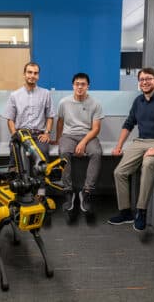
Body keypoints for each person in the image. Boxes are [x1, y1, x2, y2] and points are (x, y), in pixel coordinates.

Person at [108, 67, 154, 231]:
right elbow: (129, 124)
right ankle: (125, 212)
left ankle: (141, 211)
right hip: (140, 142)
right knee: (119, 172)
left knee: (147, 165)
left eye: (148, 79)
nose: (144, 82)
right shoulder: (138, 101)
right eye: (141, 80)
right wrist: (119, 146)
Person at [3, 62, 55, 197]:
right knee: (15, 157)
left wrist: (47, 133)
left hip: (38, 135)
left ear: (38, 75)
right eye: (30, 72)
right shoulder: (15, 95)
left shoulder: (46, 94)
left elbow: (50, 116)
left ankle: (40, 191)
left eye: (35, 73)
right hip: (20, 134)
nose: (32, 75)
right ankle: (15, 189)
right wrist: (15, 135)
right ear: (24, 74)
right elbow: (10, 119)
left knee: (42, 156)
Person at [55, 72, 104, 217]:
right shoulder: (64, 102)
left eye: (83, 84)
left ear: (88, 86)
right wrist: (58, 138)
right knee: (63, 151)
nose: (80, 87)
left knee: (96, 153)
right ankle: (68, 191)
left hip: (88, 135)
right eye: (77, 84)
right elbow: (60, 121)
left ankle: (86, 192)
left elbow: (96, 129)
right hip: (68, 135)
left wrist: (83, 142)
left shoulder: (95, 103)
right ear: (73, 85)